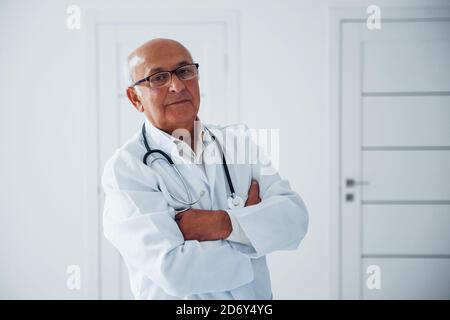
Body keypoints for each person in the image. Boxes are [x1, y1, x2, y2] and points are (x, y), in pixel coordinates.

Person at [101, 38, 309, 299]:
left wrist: (222, 224)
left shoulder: (237, 142)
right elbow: (174, 271)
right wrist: (253, 236)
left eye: (185, 71)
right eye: (158, 78)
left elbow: (294, 220)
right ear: (135, 99)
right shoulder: (126, 169)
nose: (176, 85)